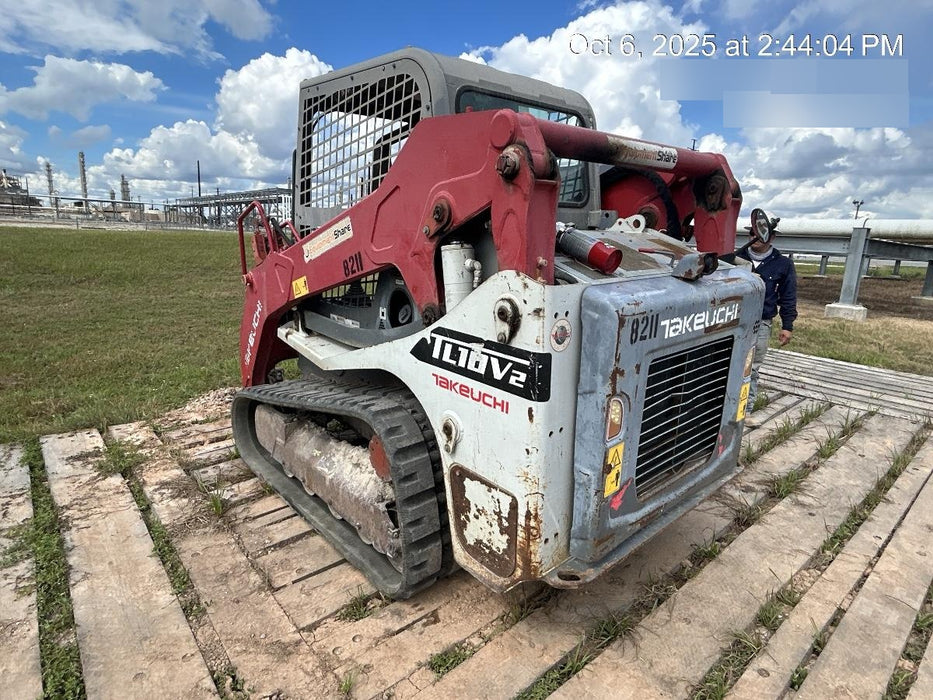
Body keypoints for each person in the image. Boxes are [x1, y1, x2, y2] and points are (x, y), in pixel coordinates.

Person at [736, 213, 797, 409]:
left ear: (771, 237)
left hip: (761, 322)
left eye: (761, 233)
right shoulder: (736, 258)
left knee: (751, 367)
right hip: (734, 321)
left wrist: (787, 326)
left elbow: (788, 296)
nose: (755, 237)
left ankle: (746, 409)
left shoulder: (783, 264)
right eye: (753, 232)